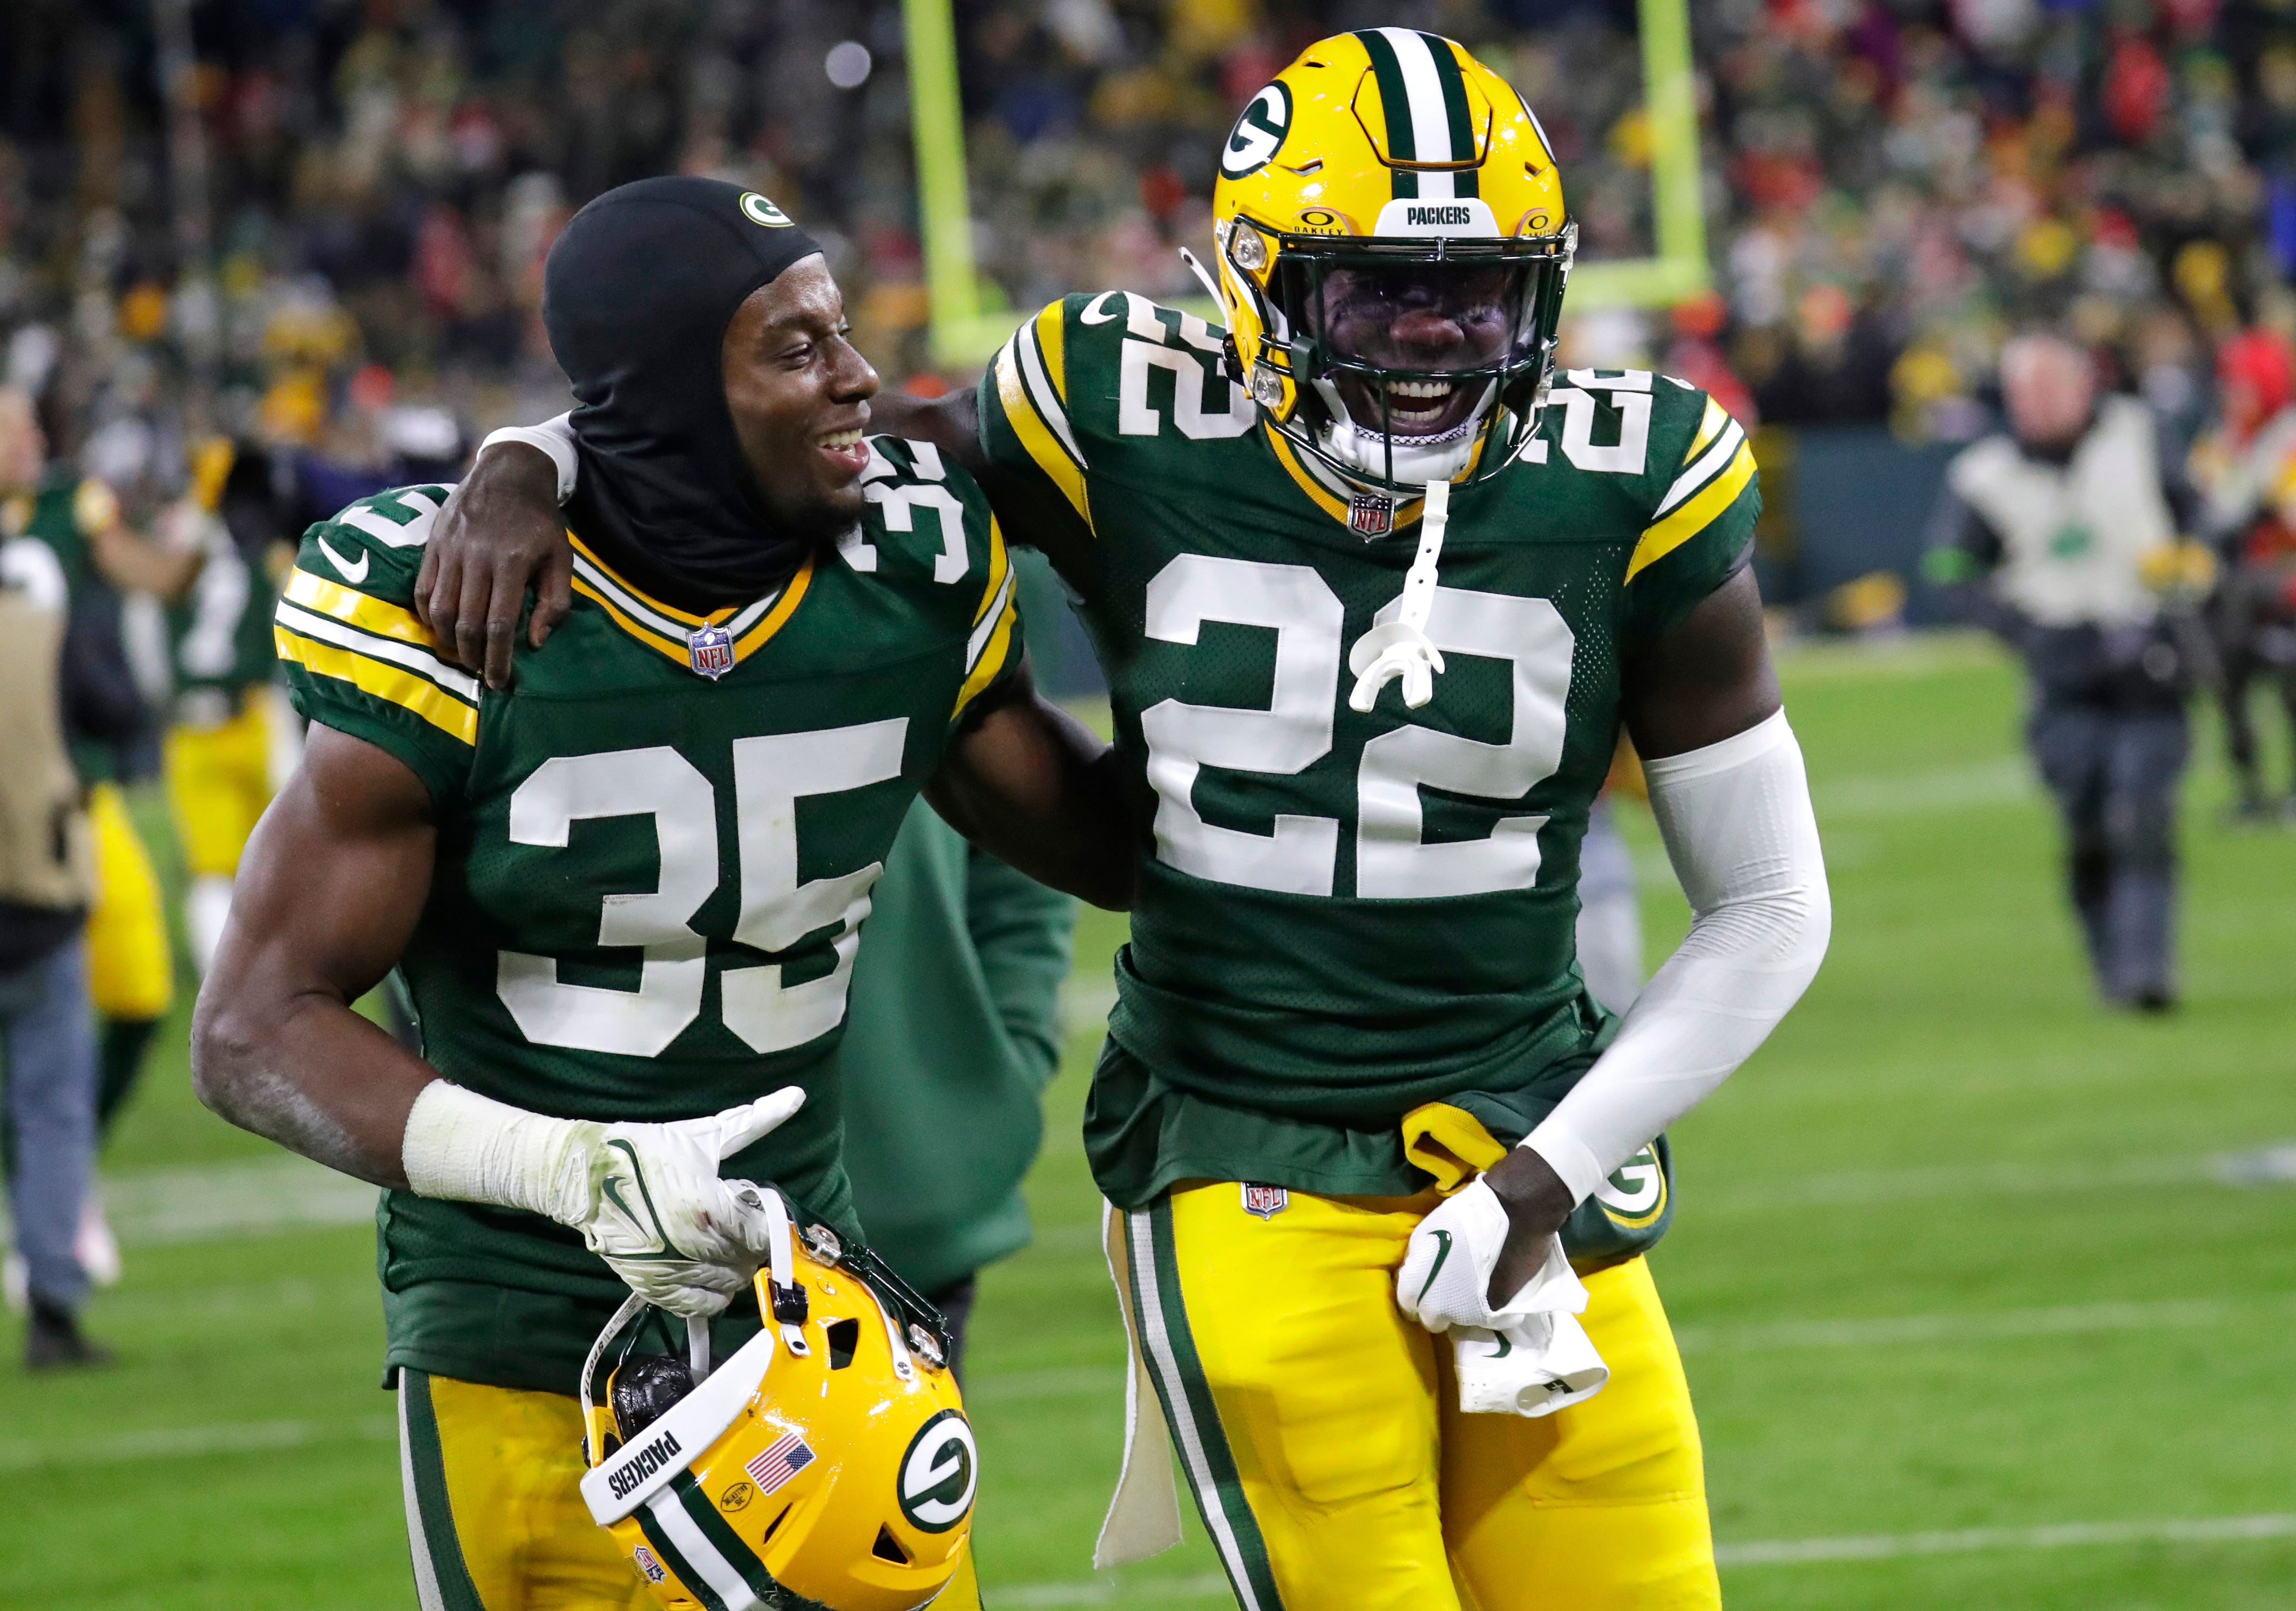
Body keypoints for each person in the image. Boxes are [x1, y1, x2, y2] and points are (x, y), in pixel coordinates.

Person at [430, 33, 1832, 1609]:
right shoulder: (1109, 400)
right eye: (1378, 293)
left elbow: (1771, 902)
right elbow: (807, 450)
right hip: (1243, 1143)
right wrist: (537, 450)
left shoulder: (1628, 468)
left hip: (1525, 1136)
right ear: (1251, 277)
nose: (1432, 343)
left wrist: (1549, 1167)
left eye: (1478, 294)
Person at [191, 177, 1132, 1611]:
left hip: (812, 1324)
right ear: (672, 395)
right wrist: (564, 1169)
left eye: (839, 331)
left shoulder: (909, 567)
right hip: (519, 1332)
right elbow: (251, 1029)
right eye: (796, 345)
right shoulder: (460, 613)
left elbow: (1109, 848)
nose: (855, 373)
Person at [1926, 332, 2197, 1009]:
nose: (2036, 403)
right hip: (2061, 673)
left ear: (2082, 385)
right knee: (2086, 823)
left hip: (2146, 651)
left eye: (2048, 387)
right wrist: (2022, 631)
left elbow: (2196, 515)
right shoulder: (1982, 477)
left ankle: (2145, 972)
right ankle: (2109, 960)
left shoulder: (2138, 435)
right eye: (2023, 391)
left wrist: (2192, 573)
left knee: (2141, 810)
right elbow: (1949, 571)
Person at [0, 389, 170, 1308]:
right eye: (14, 427)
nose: (33, 438)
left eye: (34, 423)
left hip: (72, 796)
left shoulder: (76, 507)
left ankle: (58, 1188)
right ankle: (49, 1206)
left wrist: (183, 558)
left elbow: (143, 570)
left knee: (141, 993)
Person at [835, 802, 1076, 1375]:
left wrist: (1001, 1055)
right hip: (634, 1213)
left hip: (901, 1197)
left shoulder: (943, 708)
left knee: (891, 1464)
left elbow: (1022, 848)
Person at [2190, 328, 2296, 819]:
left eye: (2244, 385)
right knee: (2225, 679)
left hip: (2282, 581)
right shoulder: (2224, 439)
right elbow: (2204, 508)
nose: (2234, 396)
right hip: (2236, 589)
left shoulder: (2288, 436)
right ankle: (2248, 786)